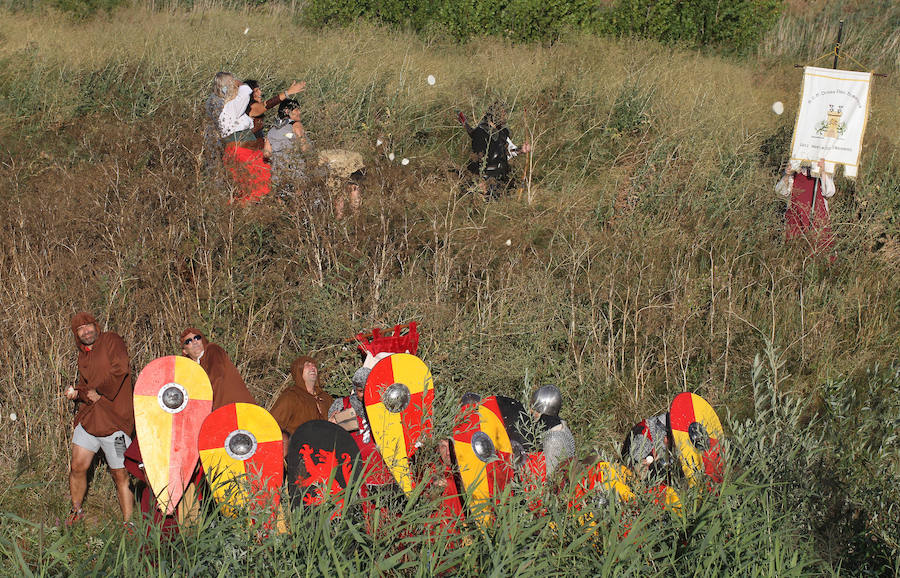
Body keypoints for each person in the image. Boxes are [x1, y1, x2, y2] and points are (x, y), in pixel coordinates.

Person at [65, 312, 134, 526]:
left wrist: (101, 390)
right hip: (90, 419)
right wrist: (77, 392)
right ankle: (76, 512)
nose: (86, 331)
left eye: (88, 326)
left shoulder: (112, 340)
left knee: (121, 474)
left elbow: (120, 368)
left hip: (115, 422)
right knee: (77, 466)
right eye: (80, 329)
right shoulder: (83, 355)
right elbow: (88, 389)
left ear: (96, 326)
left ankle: (129, 524)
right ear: (77, 334)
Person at [458, 102, 531, 197]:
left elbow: (507, 151)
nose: (504, 117)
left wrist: (521, 150)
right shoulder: (481, 133)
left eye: (504, 114)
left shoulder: (503, 132)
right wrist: (481, 181)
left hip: (501, 177)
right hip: (486, 179)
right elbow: (479, 159)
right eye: (502, 114)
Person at [218, 76, 271, 202]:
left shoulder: (235, 109)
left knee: (249, 187)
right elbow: (246, 90)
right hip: (242, 153)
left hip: (248, 153)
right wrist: (235, 81)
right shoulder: (232, 107)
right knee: (250, 187)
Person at [180, 328, 256, 410]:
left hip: (238, 408)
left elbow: (216, 377)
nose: (194, 342)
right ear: (185, 351)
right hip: (223, 412)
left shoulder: (212, 350)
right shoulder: (191, 369)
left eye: (197, 337)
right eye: (188, 341)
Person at [269, 356, 334, 453]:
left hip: (327, 452)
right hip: (300, 454)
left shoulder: (326, 398)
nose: (312, 367)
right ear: (298, 371)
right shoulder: (290, 397)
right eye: (307, 365)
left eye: (314, 365)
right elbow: (272, 426)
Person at [775, 158, 835, 253]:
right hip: (795, 217)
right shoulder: (795, 168)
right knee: (794, 250)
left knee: (819, 249)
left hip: (817, 217)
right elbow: (781, 192)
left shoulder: (822, 167)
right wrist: (787, 175)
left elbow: (829, 192)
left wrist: (823, 171)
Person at [264, 98, 313, 193]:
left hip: (278, 172)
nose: (300, 112)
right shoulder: (296, 125)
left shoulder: (271, 130)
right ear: (287, 111)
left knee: (282, 200)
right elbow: (305, 148)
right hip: (295, 170)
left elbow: (267, 153)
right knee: (299, 200)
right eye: (297, 110)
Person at [528, 385, 575, 477]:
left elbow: (550, 475)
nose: (530, 411)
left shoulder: (553, 439)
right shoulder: (560, 426)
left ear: (542, 410)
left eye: (534, 409)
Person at [203, 71, 233, 173]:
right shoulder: (216, 101)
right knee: (216, 169)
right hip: (215, 139)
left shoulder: (219, 99)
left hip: (218, 139)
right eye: (230, 82)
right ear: (222, 84)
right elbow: (221, 122)